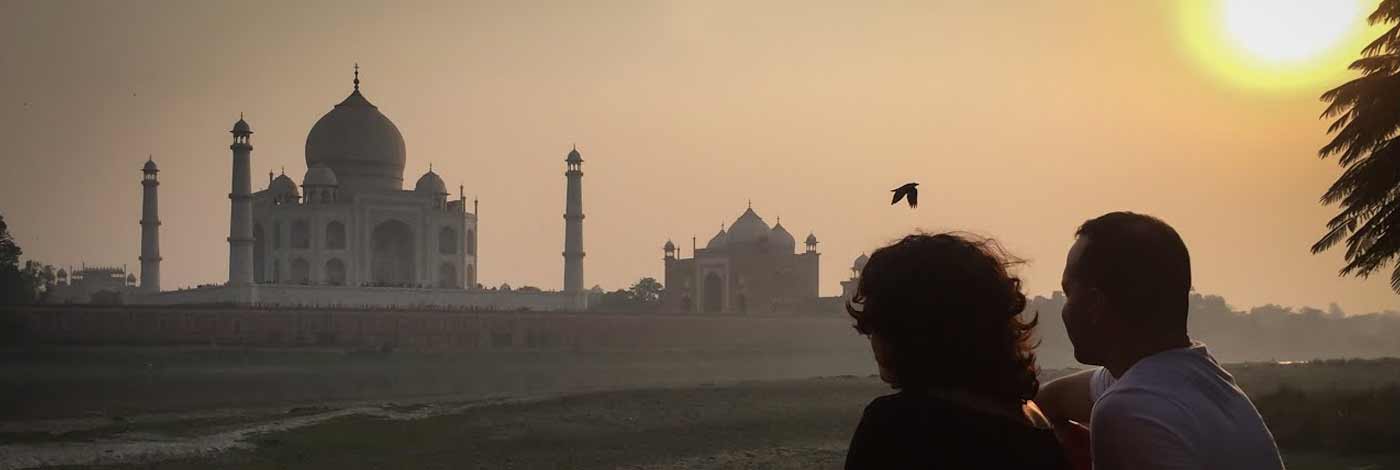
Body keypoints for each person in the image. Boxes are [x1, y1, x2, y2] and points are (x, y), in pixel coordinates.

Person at [1037, 212, 1283, 470]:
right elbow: (1053, 398)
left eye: (1068, 293)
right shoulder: (1202, 381)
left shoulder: (1127, 410)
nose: (1063, 310)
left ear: (1095, 305)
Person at [844, 233, 1068, 470]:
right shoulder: (1035, 427)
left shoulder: (895, 424)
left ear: (907, 331)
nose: (872, 339)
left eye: (875, 326)